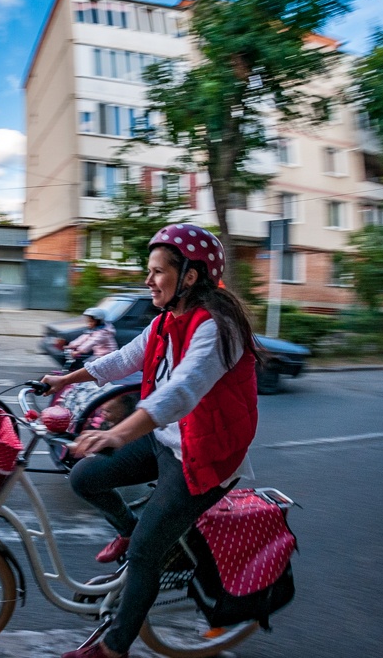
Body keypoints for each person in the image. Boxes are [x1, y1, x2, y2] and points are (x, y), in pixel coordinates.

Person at [40, 223, 259, 658]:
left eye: (158, 271)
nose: (148, 280)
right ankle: (134, 531)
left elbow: (180, 391)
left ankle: (114, 647)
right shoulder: (165, 322)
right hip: (167, 440)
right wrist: (65, 379)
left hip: (204, 457)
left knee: (144, 554)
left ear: (189, 276)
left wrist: (115, 433)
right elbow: (122, 359)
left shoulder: (217, 329)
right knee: (84, 477)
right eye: (150, 270)